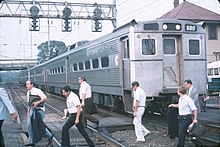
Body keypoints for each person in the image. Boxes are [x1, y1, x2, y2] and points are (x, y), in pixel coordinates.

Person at [25, 80, 53, 146]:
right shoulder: (28, 92)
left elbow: (44, 98)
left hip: (39, 110)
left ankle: (49, 135)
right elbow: (29, 103)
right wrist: (28, 110)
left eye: (28, 84)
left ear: (32, 85)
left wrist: (37, 103)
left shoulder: (37, 90)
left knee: (38, 125)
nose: (27, 86)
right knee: (29, 125)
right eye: (26, 84)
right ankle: (31, 141)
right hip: (32, 110)